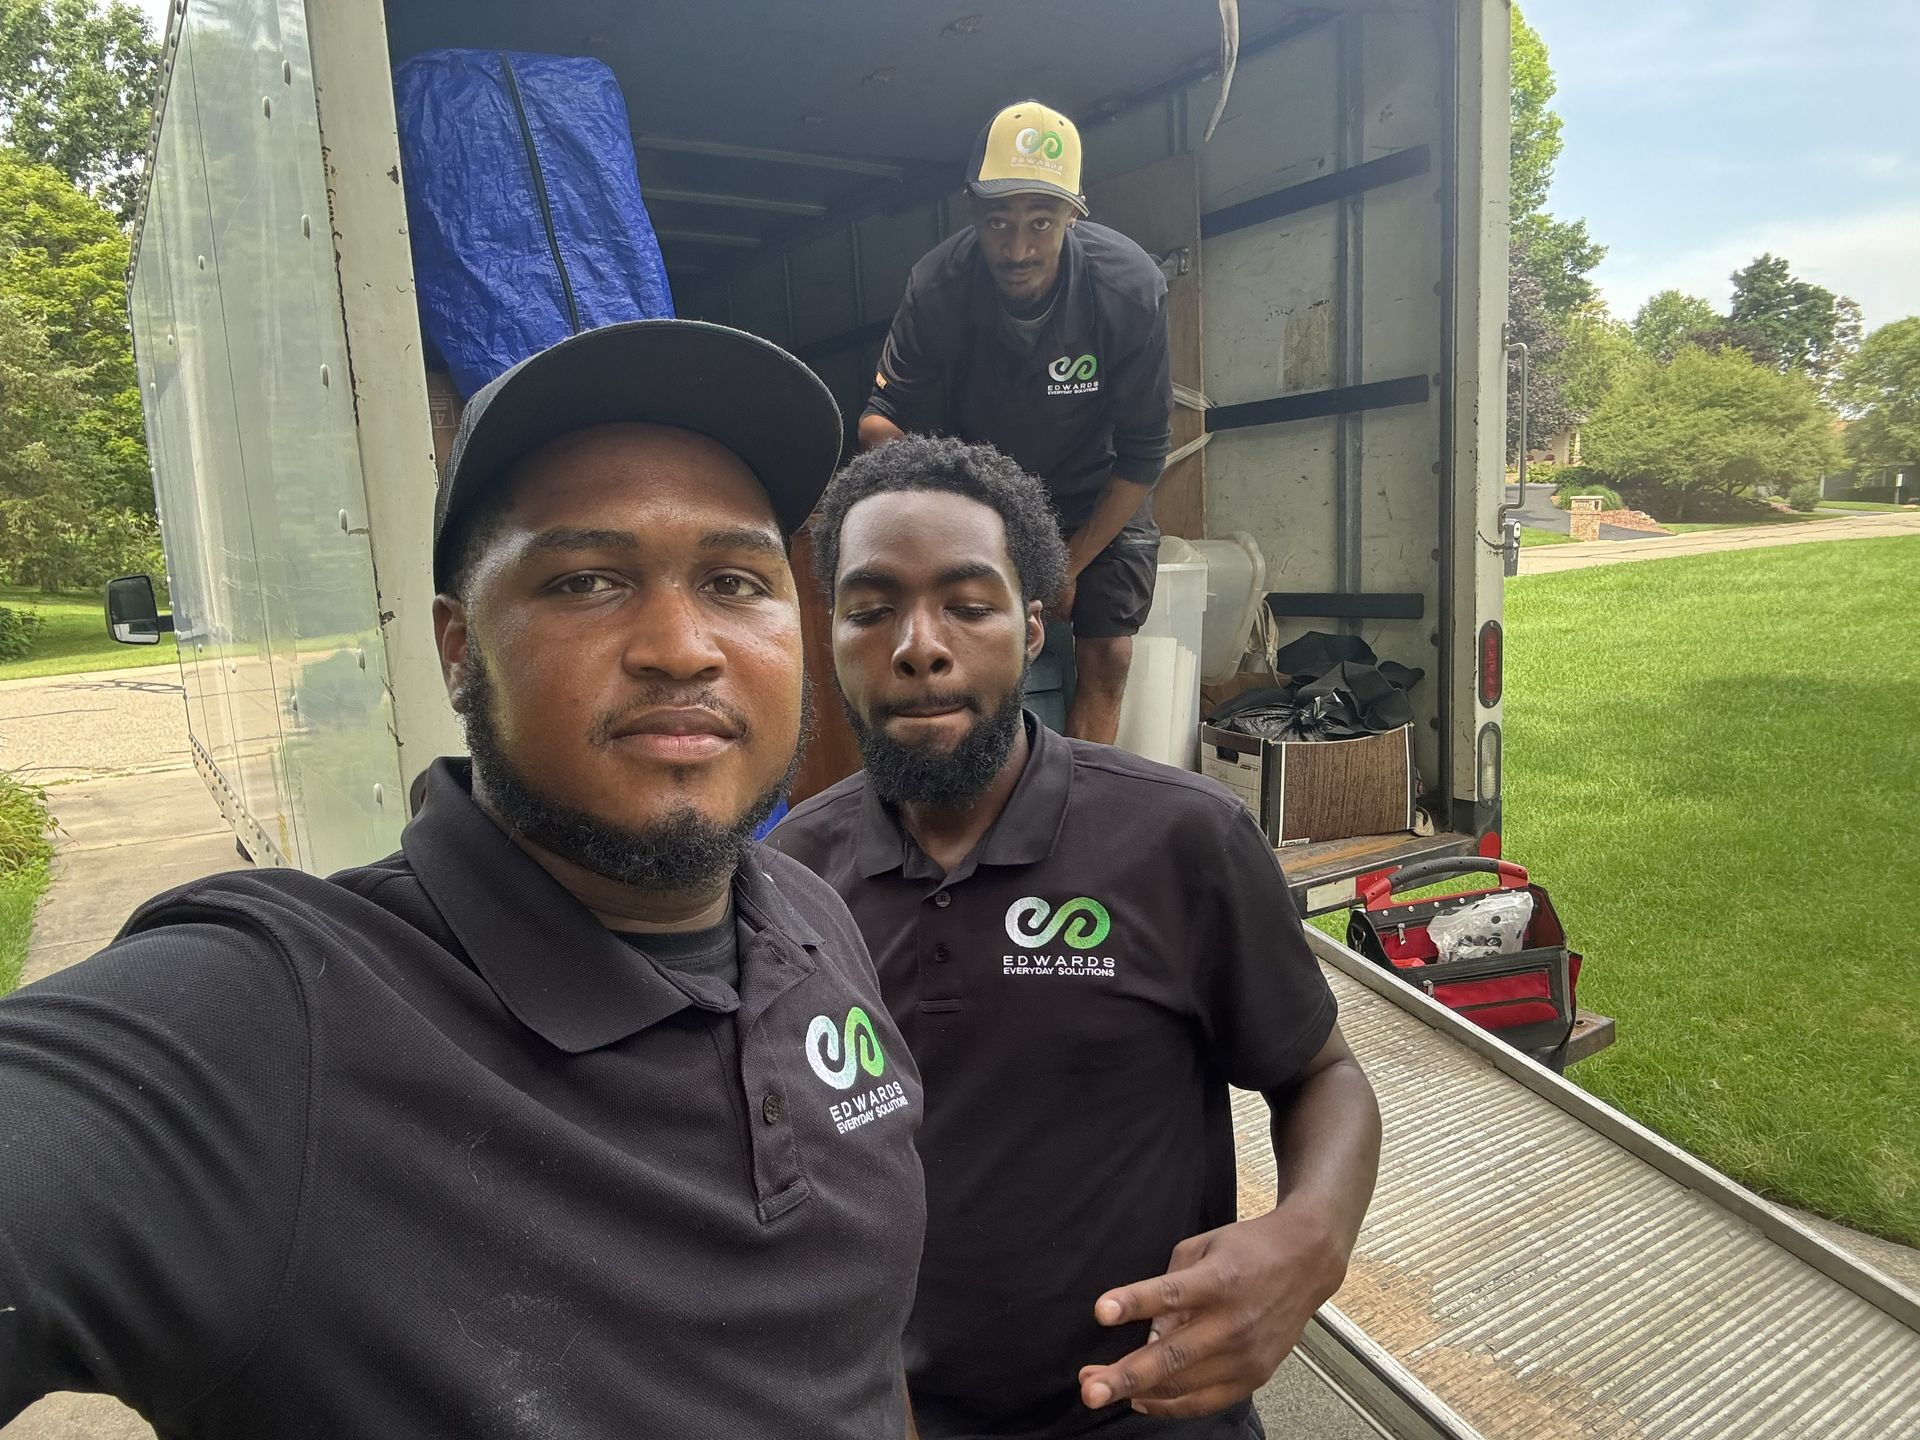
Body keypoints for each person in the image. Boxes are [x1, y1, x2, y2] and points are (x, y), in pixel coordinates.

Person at [0, 321, 927, 1439]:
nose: (682, 645)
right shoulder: (273, 1027)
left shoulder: (810, 917)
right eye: (587, 580)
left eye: (736, 581)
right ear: (455, 649)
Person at [768, 435, 1382, 1439]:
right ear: (830, 634)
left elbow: (1321, 1073)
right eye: (873, 609)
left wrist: (1312, 1239)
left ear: (1036, 626)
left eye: (968, 605)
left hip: (1160, 1410)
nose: (919, 645)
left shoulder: (1181, 839)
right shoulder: (788, 881)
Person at [858, 100, 1173, 746]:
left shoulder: (1129, 289)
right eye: (998, 222)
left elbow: (1144, 454)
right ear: (971, 211)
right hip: (986, 495)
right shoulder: (937, 287)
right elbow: (879, 423)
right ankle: (979, 791)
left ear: (1073, 216)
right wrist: (952, 506)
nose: (1018, 247)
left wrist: (1068, 563)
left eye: (1040, 222)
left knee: (1107, 654)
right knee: (974, 651)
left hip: (1098, 490)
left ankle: (1083, 809)